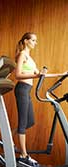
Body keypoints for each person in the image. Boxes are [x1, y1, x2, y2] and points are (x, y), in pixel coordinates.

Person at [14, 32, 67, 166]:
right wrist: (35, 75)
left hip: (28, 90)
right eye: (33, 40)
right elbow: (17, 75)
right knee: (22, 123)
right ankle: (24, 155)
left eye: (36, 41)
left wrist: (61, 74)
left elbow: (39, 75)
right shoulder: (22, 55)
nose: (35, 43)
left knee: (29, 121)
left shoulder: (30, 59)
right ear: (26, 41)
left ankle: (9, 136)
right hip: (21, 89)